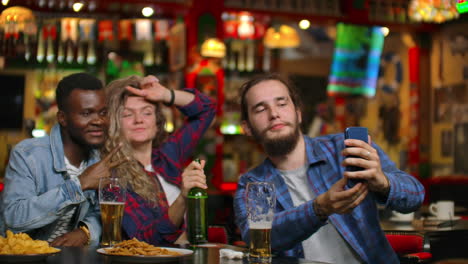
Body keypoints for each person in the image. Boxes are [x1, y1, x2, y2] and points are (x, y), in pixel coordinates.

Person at [233, 73, 425, 263]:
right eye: (260, 109)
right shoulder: (252, 182)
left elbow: (415, 196)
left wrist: (383, 182)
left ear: (298, 113)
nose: (274, 114)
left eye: (282, 104)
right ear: (247, 127)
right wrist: (319, 208)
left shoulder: (346, 147)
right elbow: (256, 238)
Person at [1, 73, 123, 247]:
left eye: (103, 113)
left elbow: (102, 214)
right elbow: (14, 218)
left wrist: (85, 232)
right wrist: (79, 185)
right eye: (86, 113)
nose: (99, 121)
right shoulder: (28, 155)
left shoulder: (103, 158)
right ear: (62, 118)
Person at [102, 75, 216, 245]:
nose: (139, 120)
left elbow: (207, 108)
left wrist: (166, 95)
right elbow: (144, 239)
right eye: (127, 114)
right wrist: (182, 199)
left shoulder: (167, 154)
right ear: (114, 123)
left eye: (147, 112)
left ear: (157, 121)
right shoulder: (111, 175)